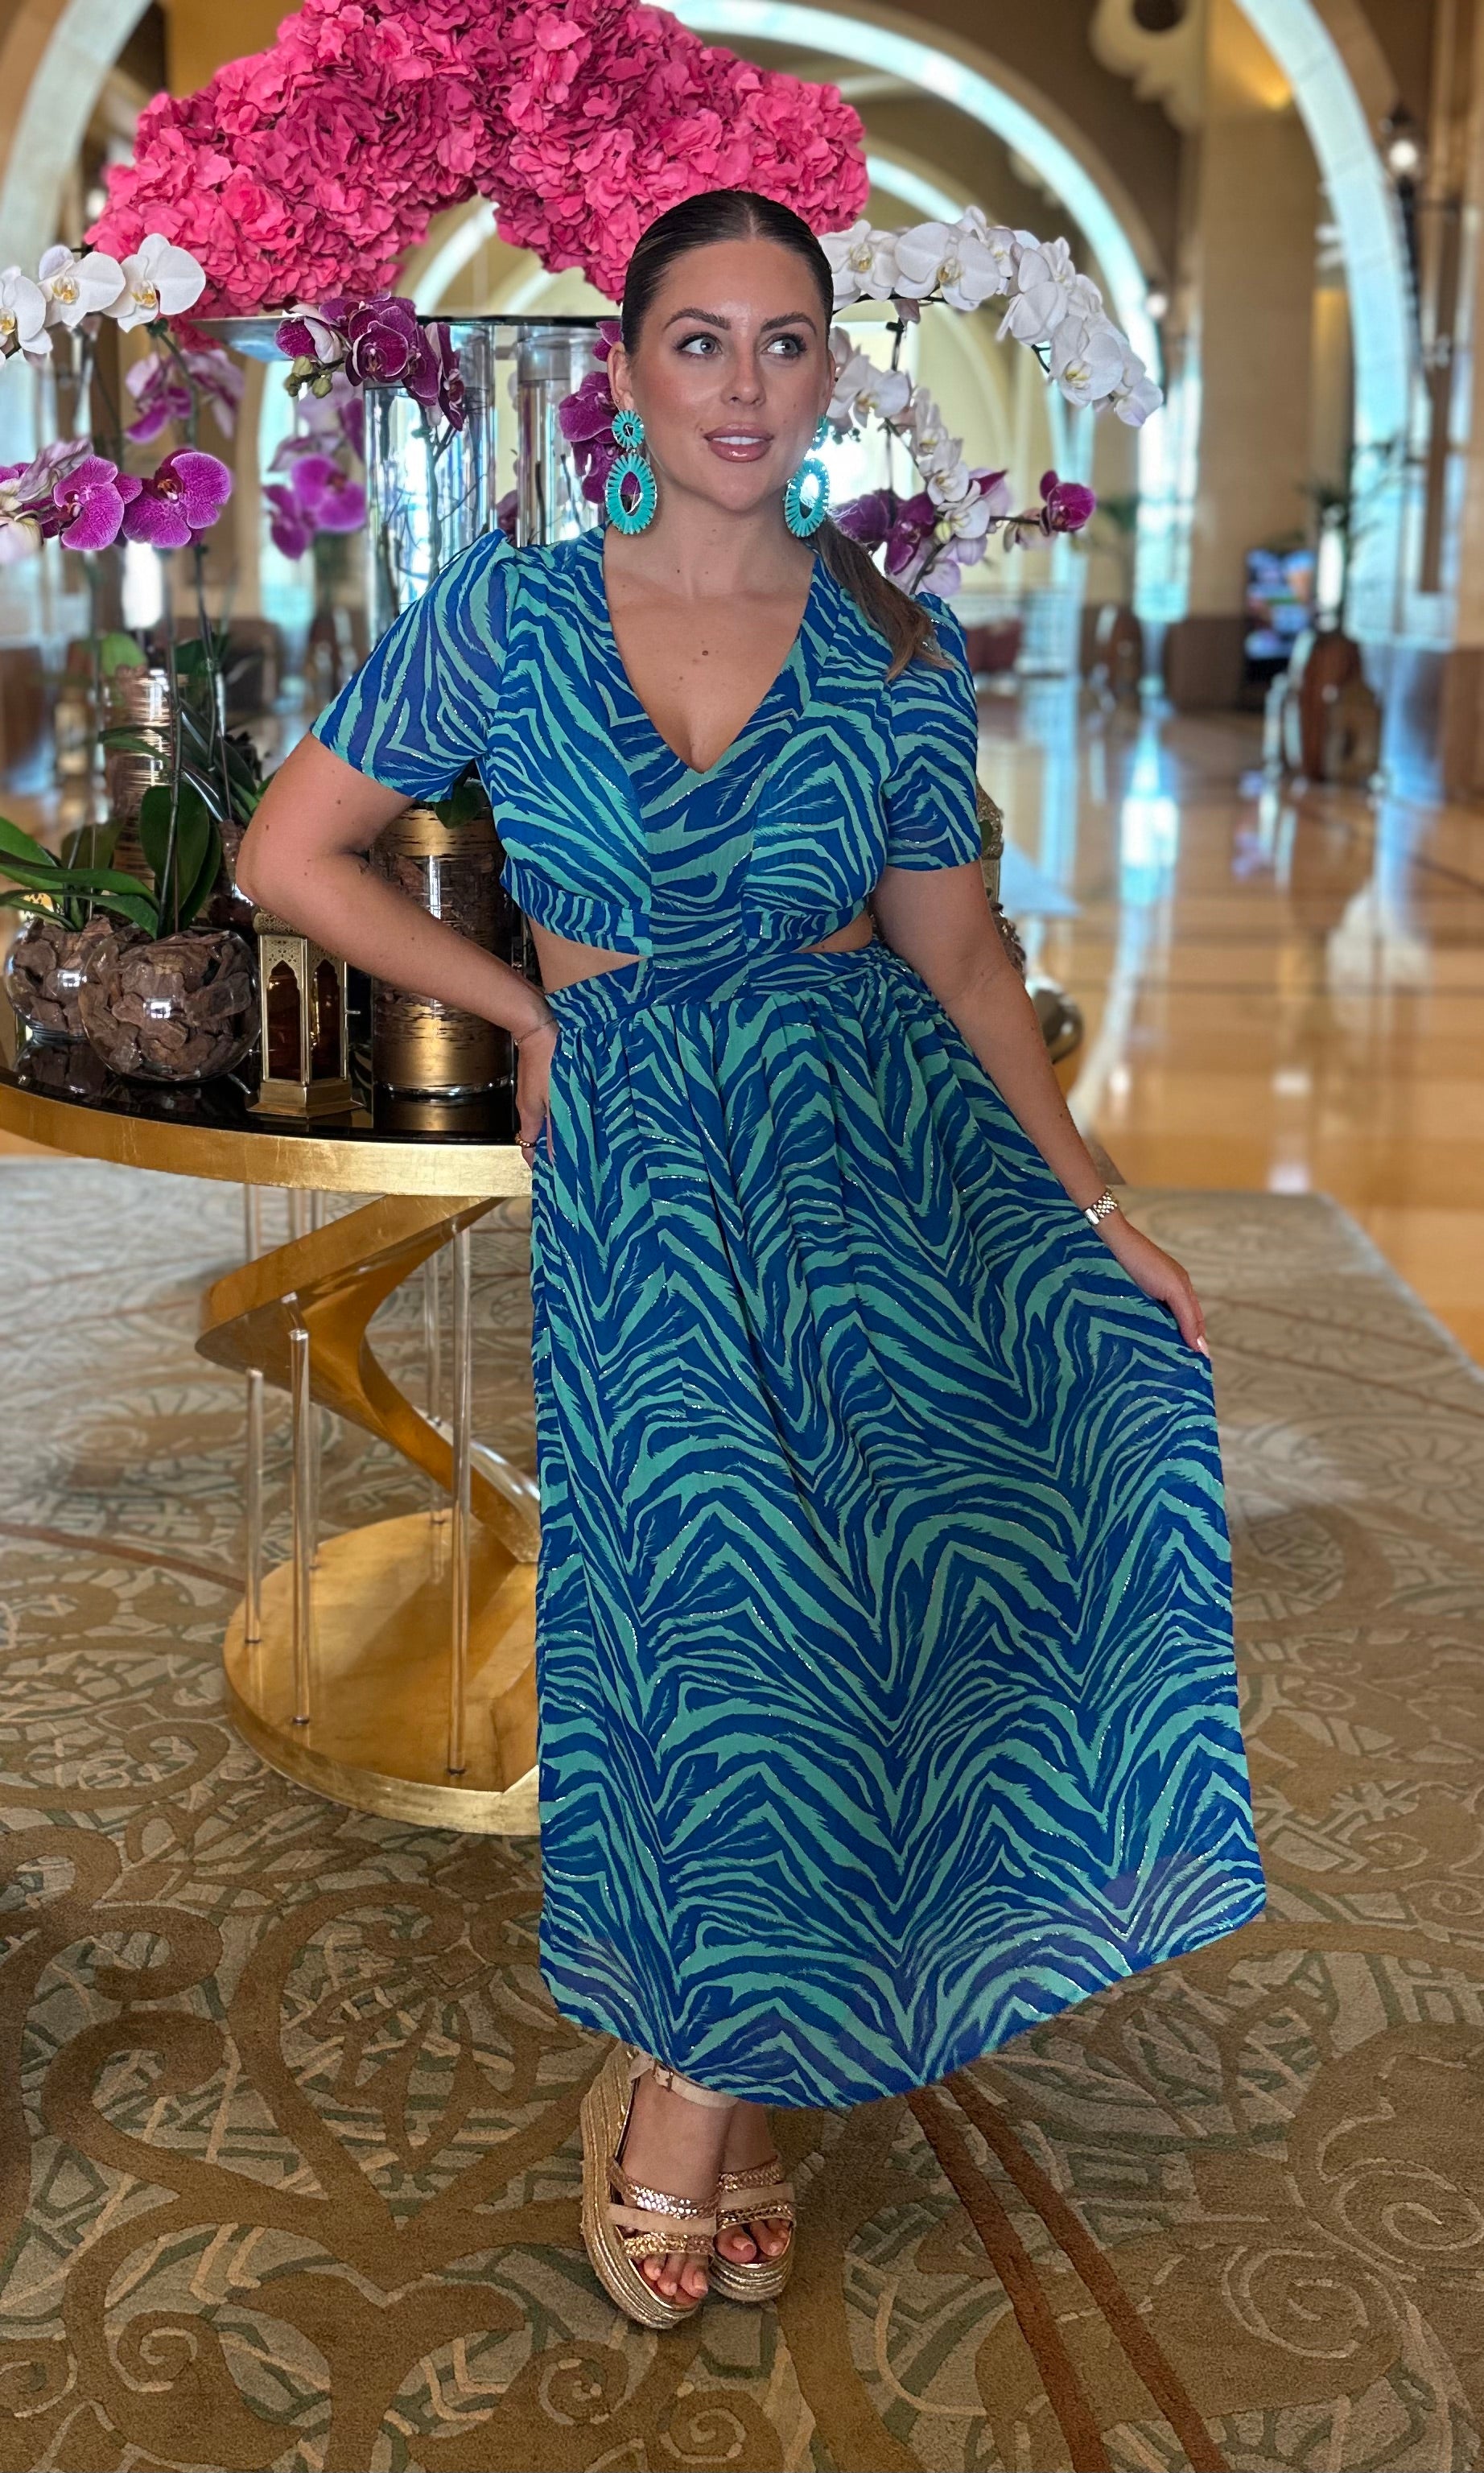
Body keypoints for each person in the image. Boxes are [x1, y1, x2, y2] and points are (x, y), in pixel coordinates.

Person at [237, 187, 1265, 2332]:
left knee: (885, 1597)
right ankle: (716, 2053)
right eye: (696, 341)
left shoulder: (893, 645)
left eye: (783, 342)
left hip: (877, 1156)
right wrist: (526, 1011)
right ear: (621, 370)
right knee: (712, 1631)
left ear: (828, 373)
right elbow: (287, 855)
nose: (741, 383)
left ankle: (696, 2093)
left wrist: (1089, 1206)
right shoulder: (503, 613)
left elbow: (962, 961)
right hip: (645, 1169)